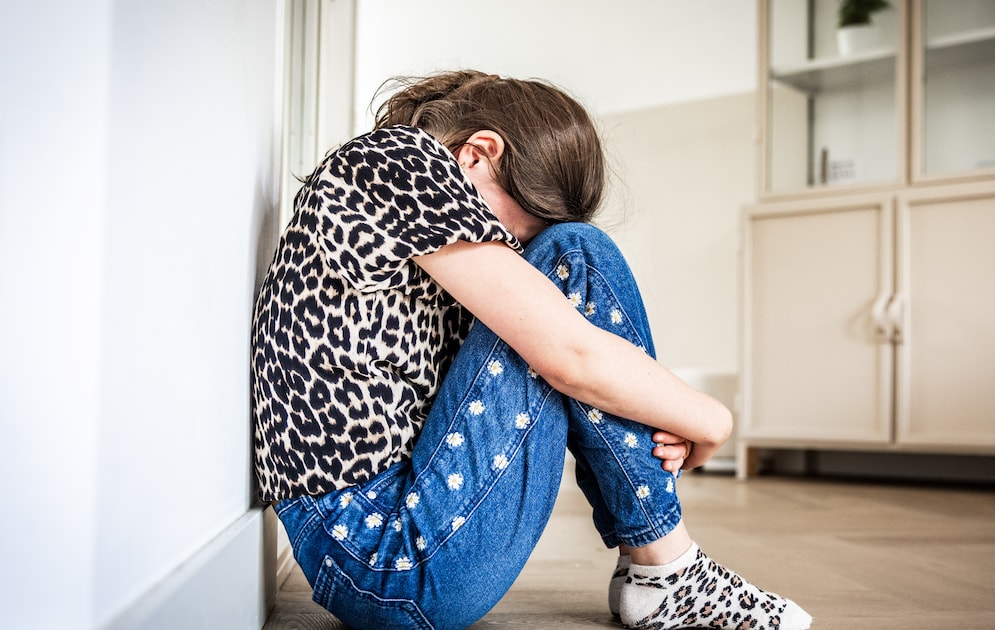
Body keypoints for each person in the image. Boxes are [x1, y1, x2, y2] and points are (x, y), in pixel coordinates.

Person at [252, 70, 813, 630]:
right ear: (478, 154)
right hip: (384, 556)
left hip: (387, 547)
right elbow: (571, 355)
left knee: (567, 265)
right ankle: (665, 570)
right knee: (574, 253)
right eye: (516, 233)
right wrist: (711, 417)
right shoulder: (395, 159)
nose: (517, 251)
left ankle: (653, 569)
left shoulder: (404, 197)